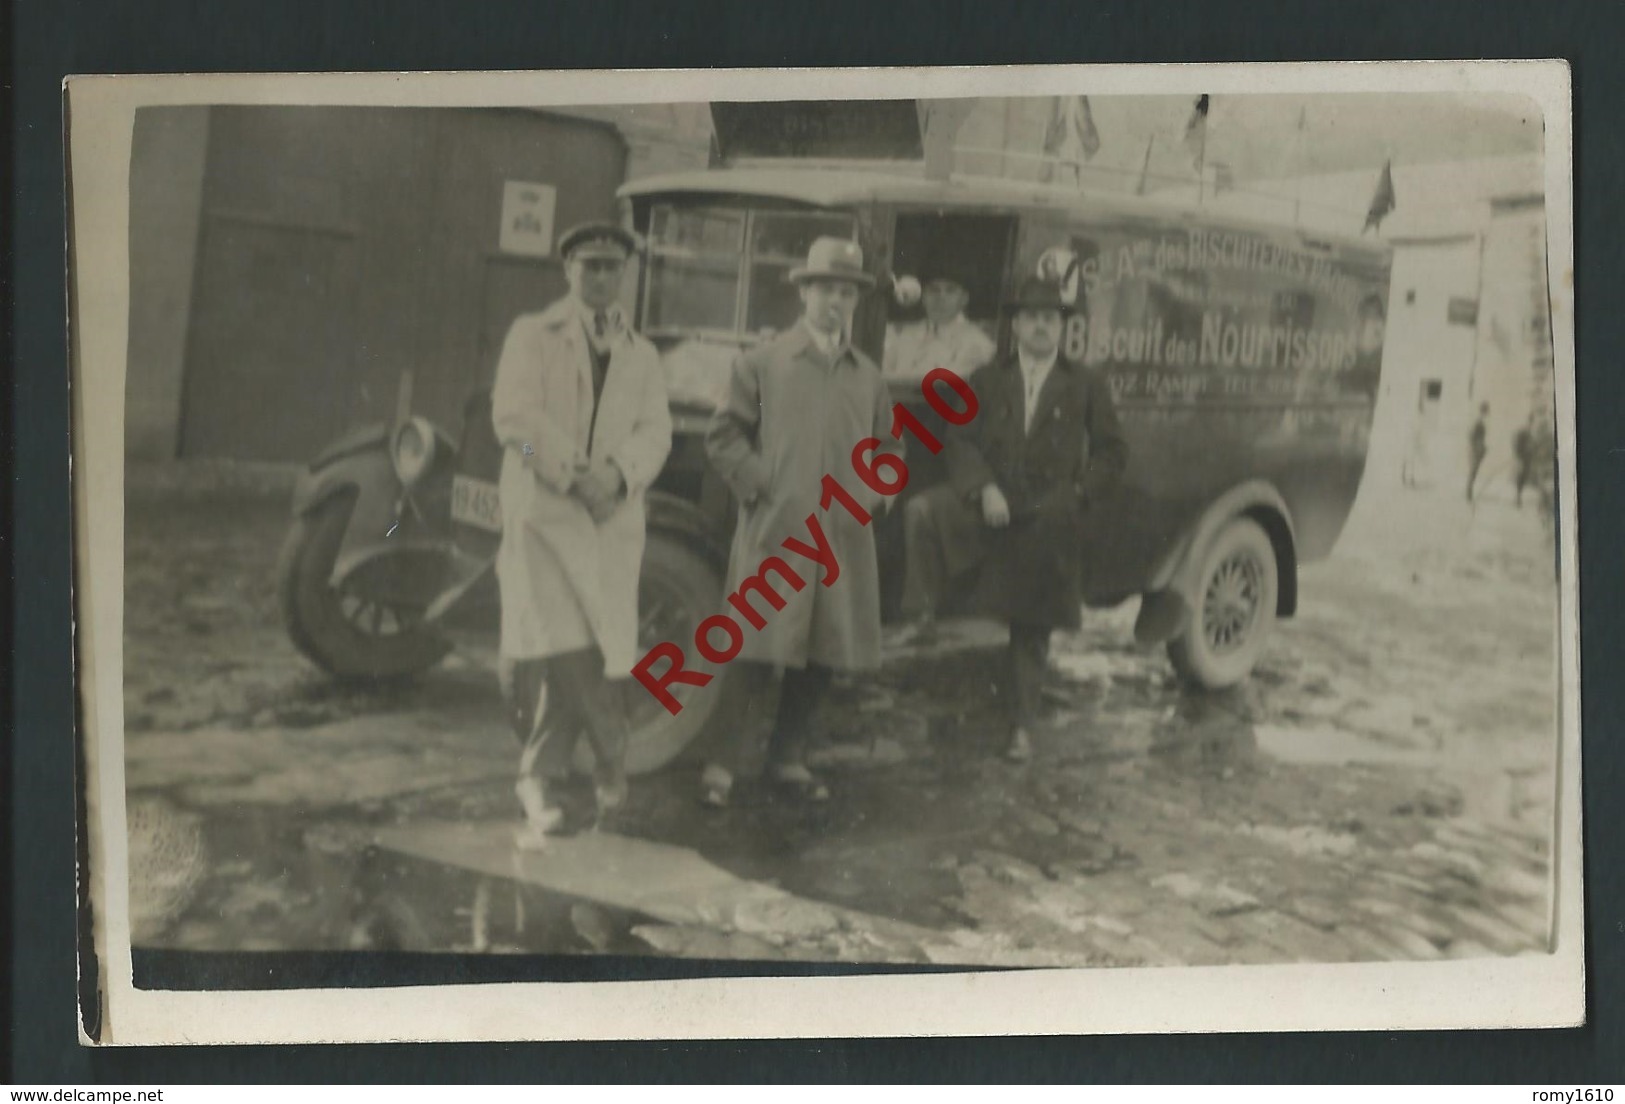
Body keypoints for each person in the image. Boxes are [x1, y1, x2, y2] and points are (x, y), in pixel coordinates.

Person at [490, 222, 673, 847]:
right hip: (546, 512)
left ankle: (543, 776)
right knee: (563, 644)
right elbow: (514, 416)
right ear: (567, 270)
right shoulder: (533, 335)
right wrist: (572, 473)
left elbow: (656, 431)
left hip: (610, 518)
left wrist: (617, 477)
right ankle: (604, 755)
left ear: (624, 273)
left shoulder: (641, 352)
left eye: (611, 267)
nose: (600, 278)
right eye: (589, 266)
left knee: (593, 643)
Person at [700, 236, 899, 806]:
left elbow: (891, 450)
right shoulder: (764, 363)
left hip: (838, 538)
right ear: (804, 292)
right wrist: (763, 484)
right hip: (776, 533)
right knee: (753, 651)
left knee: (823, 650)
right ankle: (722, 764)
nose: (836, 302)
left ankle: (787, 756)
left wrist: (871, 498)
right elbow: (724, 435)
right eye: (826, 289)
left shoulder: (867, 376)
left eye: (847, 292)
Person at [900, 276, 1127, 762]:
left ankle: (1020, 726)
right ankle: (930, 616)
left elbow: (1112, 451)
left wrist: (1080, 494)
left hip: (1047, 511)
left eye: (1051, 319)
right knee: (923, 513)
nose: (1041, 327)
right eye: (1032, 318)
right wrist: (982, 488)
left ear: (1062, 328)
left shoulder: (1085, 383)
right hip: (991, 500)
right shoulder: (988, 377)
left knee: (1031, 617)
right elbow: (957, 439)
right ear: (1017, 326)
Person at [882, 261, 997, 382]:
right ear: (923, 297)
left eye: (950, 290)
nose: (941, 298)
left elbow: (949, 386)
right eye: (934, 290)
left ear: (964, 299)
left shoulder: (978, 344)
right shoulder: (900, 335)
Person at [1467, 402, 1489, 502]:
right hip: (1475, 451)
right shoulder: (1477, 422)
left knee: (1474, 472)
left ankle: (1469, 492)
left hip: (1477, 450)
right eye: (1486, 411)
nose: (1487, 413)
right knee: (1473, 471)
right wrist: (1477, 448)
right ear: (1483, 411)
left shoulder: (1480, 422)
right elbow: (1472, 437)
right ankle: (1468, 494)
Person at [1513, 420, 1536, 508]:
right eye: (1530, 423)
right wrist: (1519, 455)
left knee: (1524, 477)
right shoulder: (1522, 432)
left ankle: (1519, 496)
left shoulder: (1531, 434)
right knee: (1520, 476)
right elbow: (1516, 444)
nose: (1531, 425)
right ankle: (1518, 498)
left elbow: (1533, 446)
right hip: (1522, 458)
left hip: (1528, 459)